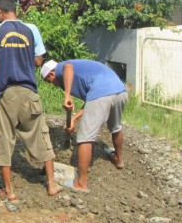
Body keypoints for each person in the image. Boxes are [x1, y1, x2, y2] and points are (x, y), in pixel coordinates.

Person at [0, 0, 63, 210]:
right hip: (29, 91)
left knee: (3, 138)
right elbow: (37, 60)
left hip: (6, 93)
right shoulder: (31, 29)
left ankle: (10, 191)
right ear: (15, 9)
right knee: (40, 133)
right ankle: (52, 185)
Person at [40, 59, 128, 194]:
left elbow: (68, 67)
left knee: (84, 137)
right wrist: (74, 119)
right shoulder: (83, 71)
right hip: (120, 91)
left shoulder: (62, 67)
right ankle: (119, 160)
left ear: (51, 75)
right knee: (115, 127)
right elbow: (91, 100)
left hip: (102, 92)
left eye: (50, 81)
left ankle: (81, 183)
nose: (55, 85)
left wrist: (67, 95)